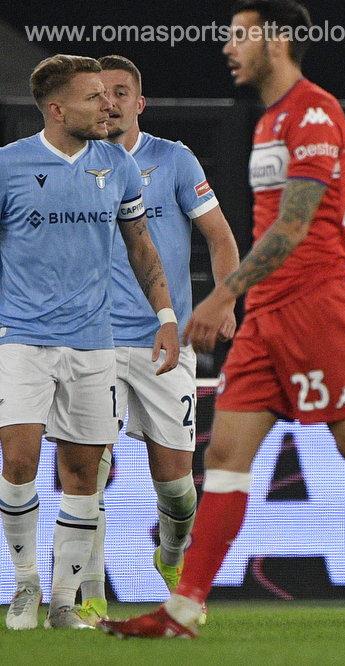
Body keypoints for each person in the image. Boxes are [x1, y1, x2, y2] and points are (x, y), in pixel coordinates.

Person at [98, 0, 345, 638]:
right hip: (266, 317)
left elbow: (294, 228)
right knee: (226, 455)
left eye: (241, 36)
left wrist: (219, 294)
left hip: (316, 308)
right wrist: (242, 300)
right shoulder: (270, 121)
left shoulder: (315, 112)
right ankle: (183, 610)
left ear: (279, 41)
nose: (229, 48)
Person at [0, 54, 179, 630]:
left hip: (94, 343)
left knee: (84, 472)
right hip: (21, 339)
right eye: (94, 97)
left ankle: (61, 604)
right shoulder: (8, 167)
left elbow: (141, 245)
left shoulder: (118, 166)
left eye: (110, 94)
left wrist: (167, 315)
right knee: (19, 460)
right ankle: (24, 586)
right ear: (56, 109)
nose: (108, 106)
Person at [69, 55, 242, 627]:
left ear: (139, 103)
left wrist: (224, 301)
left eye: (122, 92)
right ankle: (88, 594)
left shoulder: (172, 159)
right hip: (91, 340)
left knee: (177, 486)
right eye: (101, 93)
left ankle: (170, 554)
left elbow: (219, 236)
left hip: (163, 345)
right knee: (87, 470)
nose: (110, 102)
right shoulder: (74, 163)